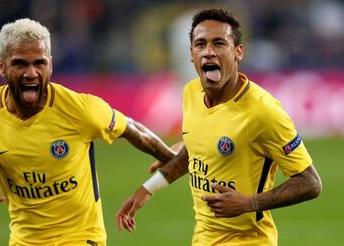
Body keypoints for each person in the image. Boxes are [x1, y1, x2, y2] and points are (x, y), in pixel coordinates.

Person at [116, 8, 322, 246]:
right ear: (191, 54)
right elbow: (197, 150)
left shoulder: (263, 113)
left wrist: (249, 203)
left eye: (219, 43)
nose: (209, 52)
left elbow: (310, 183)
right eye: (200, 44)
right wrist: (148, 188)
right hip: (203, 239)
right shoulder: (191, 93)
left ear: (238, 52)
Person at [0, 18, 177, 246]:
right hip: (23, 240)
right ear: (1, 66)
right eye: (19, 64)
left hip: (81, 237)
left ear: (51, 65)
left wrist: (172, 160)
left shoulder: (80, 109)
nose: (31, 73)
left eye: (39, 63)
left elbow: (132, 128)